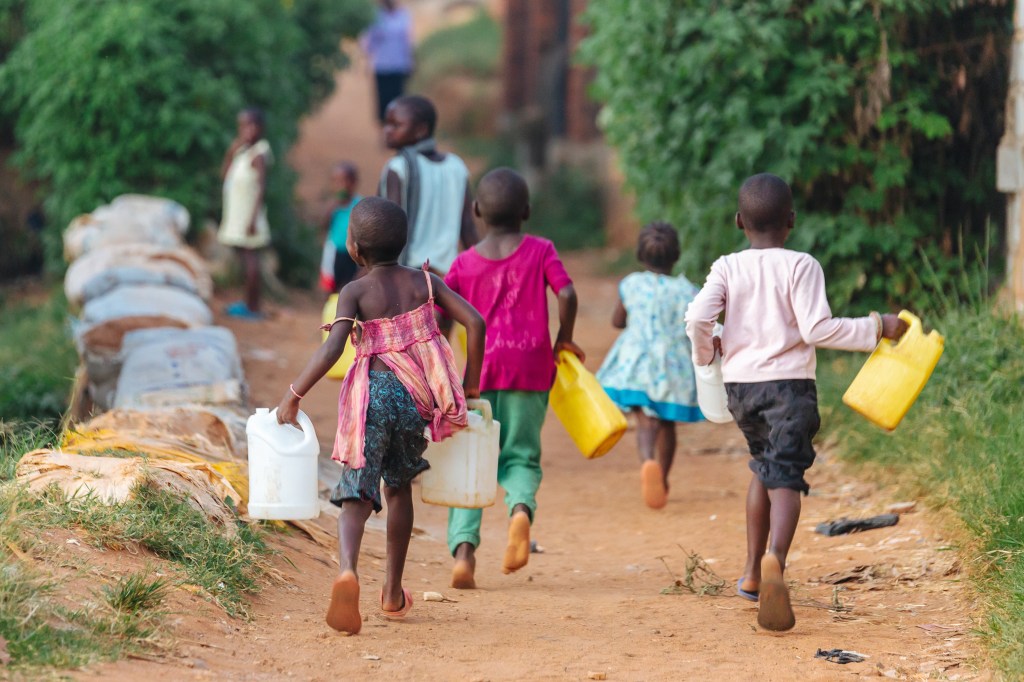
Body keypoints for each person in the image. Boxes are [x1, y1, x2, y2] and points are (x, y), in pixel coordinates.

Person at [684, 173, 907, 632]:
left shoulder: (727, 266)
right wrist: (876, 327)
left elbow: (697, 317)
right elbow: (817, 329)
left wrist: (707, 354)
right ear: (791, 220)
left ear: (739, 221)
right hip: (789, 388)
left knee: (763, 466)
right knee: (785, 474)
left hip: (741, 389)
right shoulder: (802, 265)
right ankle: (775, 563)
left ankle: (751, 572)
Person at [277, 197, 485, 634]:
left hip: (371, 398)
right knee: (398, 488)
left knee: (356, 491)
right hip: (414, 400)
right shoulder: (424, 282)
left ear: (354, 248)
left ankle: (348, 571)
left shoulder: (354, 291)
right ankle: (392, 592)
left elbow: (333, 349)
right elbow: (476, 323)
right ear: (404, 242)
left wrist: (294, 395)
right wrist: (470, 385)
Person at [443, 168, 583, 589]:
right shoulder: (541, 250)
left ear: (476, 211)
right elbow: (567, 293)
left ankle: (464, 553)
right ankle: (520, 511)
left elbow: (440, 312)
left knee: (471, 463)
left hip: (478, 375)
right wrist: (564, 339)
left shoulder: (463, 264)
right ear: (526, 211)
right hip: (531, 370)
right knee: (520, 456)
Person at [596, 222, 703, 510]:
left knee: (645, 419)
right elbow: (697, 327)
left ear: (640, 255)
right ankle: (662, 478)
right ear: (676, 255)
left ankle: (647, 461)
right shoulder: (688, 291)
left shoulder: (632, 284)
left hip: (637, 362)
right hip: (672, 366)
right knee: (666, 422)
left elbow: (618, 320)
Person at [380, 95, 479, 275]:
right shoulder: (456, 166)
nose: (387, 130)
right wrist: (483, 268)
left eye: (396, 125)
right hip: (446, 276)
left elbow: (388, 226)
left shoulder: (398, 168)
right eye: (387, 123)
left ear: (421, 130)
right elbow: (467, 227)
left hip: (409, 273)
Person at [219, 107, 272, 319]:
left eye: (252, 125)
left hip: (249, 218)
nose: (247, 130)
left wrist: (252, 219)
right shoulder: (242, 151)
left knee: (251, 261)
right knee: (245, 260)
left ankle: (252, 307)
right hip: (239, 215)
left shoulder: (259, 153)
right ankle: (248, 303)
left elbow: (261, 187)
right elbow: (224, 176)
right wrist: (230, 152)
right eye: (243, 126)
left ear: (261, 128)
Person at [361, 0, 415, 124]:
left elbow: (408, 40)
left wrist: (411, 61)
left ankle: (398, 129)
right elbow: (368, 42)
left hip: (400, 65)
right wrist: (366, 60)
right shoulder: (376, 16)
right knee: (384, 101)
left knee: (399, 100)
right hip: (382, 66)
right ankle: (386, 130)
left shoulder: (404, 15)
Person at [318, 162, 362, 294]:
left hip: (353, 253)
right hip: (334, 251)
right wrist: (332, 207)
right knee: (329, 285)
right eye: (335, 181)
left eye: (343, 181)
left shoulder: (359, 205)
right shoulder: (333, 205)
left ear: (353, 183)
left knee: (349, 286)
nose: (339, 186)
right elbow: (323, 225)